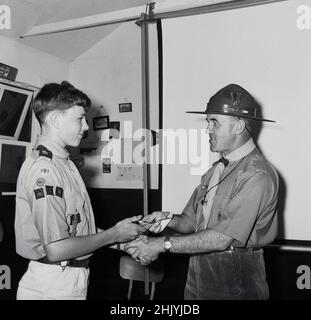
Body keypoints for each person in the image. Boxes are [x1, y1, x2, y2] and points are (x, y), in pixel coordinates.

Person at [125, 83, 279, 300]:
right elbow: (191, 221)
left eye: (214, 122)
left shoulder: (256, 174)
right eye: (208, 122)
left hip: (236, 271)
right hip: (199, 267)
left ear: (238, 125)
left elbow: (222, 238)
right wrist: (168, 220)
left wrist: (161, 244)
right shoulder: (215, 170)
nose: (207, 129)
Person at [14, 81, 145, 300]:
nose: (85, 126)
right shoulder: (45, 170)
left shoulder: (63, 163)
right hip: (53, 282)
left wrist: (122, 241)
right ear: (55, 119)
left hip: (66, 278)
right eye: (79, 118)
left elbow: (75, 227)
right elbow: (57, 249)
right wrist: (114, 233)